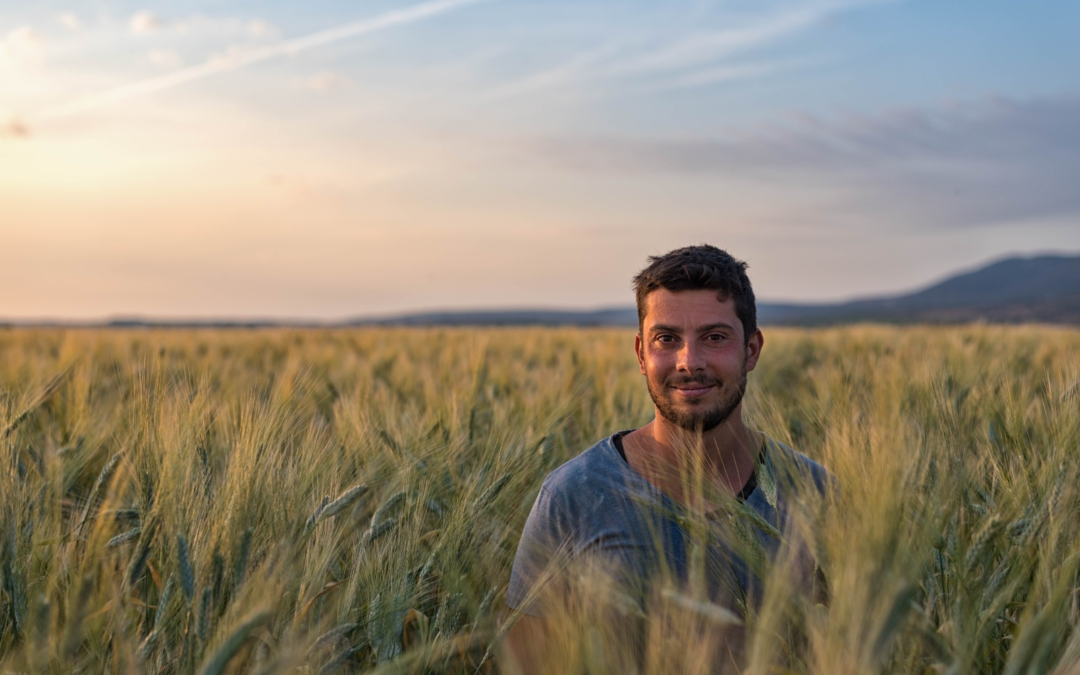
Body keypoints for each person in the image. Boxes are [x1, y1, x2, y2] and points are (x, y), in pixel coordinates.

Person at [502, 244, 832, 673]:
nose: (689, 363)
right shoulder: (574, 496)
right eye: (666, 339)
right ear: (641, 353)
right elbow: (528, 665)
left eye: (714, 338)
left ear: (752, 350)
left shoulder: (818, 494)